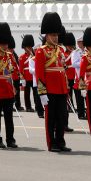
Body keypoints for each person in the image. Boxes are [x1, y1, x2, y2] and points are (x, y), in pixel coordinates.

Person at [35, 11, 71, 152]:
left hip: (61, 89)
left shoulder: (60, 50)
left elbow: (62, 70)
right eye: (53, 35)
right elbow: (39, 73)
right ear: (46, 36)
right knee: (51, 119)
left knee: (62, 118)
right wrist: (42, 92)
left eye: (56, 35)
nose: (55, 38)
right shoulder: (41, 51)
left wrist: (66, 88)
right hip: (49, 89)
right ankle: (52, 143)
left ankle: (61, 142)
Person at [18, 35, 36, 113]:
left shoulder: (34, 55)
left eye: (29, 47)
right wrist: (22, 78)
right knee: (27, 93)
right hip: (26, 76)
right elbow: (20, 69)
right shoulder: (22, 57)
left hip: (33, 76)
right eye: (26, 47)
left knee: (36, 93)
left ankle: (38, 105)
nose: (27, 49)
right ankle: (28, 107)